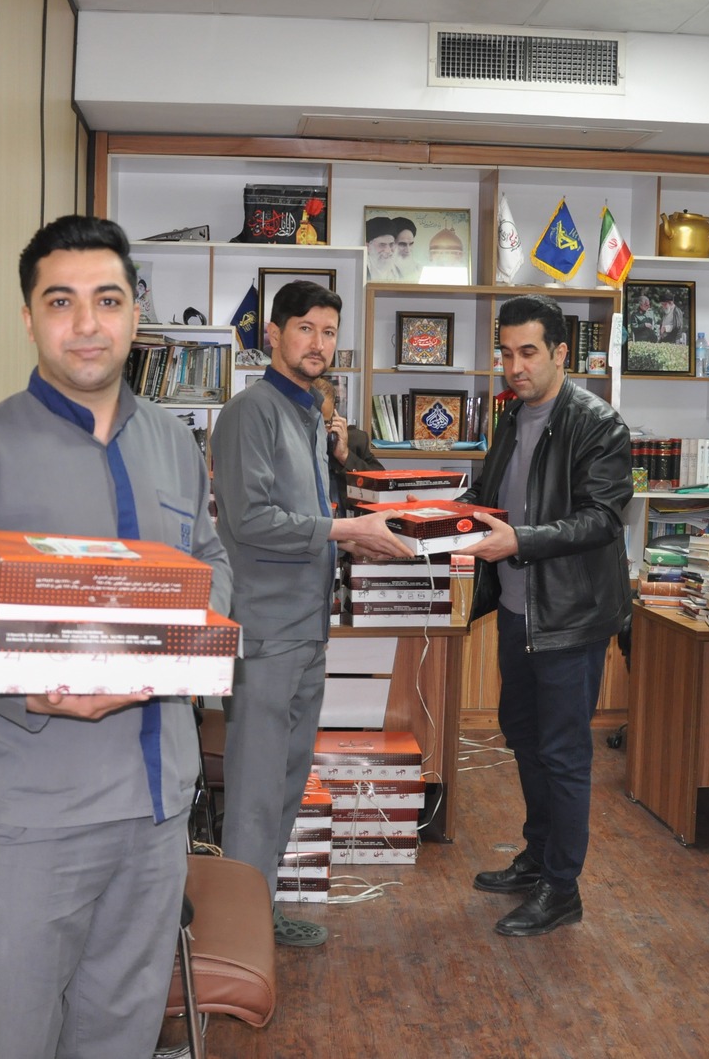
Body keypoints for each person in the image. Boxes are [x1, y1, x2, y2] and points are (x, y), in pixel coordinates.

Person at [0, 215, 231, 1057]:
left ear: (135, 314)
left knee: (121, 1032)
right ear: (28, 318)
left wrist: (176, 653)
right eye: (61, 301)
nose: (86, 323)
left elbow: (211, 563)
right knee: (11, 1035)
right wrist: (33, 688)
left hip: (157, 806)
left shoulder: (173, 442)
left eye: (107, 299)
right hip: (37, 815)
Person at [211, 280, 412, 946]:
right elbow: (251, 519)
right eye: (305, 328)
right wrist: (343, 531)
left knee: (288, 783)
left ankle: (258, 912)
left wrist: (348, 529)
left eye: (328, 332)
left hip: (307, 629)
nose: (318, 343)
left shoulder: (309, 416)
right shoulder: (250, 412)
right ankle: (238, 933)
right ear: (272, 334)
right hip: (265, 633)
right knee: (255, 790)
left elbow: (311, 515)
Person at [457, 293, 633, 937]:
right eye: (505, 353)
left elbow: (602, 518)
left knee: (563, 753)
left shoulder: (598, 424)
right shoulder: (512, 415)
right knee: (524, 737)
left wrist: (520, 541)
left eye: (528, 352)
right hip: (515, 610)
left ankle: (562, 888)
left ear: (561, 353)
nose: (514, 367)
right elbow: (494, 497)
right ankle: (537, 856)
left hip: (567, 618)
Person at [311, 374, 384, 509]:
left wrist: (345, 456)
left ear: (335, 415)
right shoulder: (289, 443)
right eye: (314, 423)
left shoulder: (356, 440)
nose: (320, 430)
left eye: (325, 423)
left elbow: (383, 486)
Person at [366, 216, 403, 283]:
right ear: (368, 247)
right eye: (382, 245)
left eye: (391, 244)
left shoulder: (398, 273)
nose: (388, 251)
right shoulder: (361, 270)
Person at [391, 215, 422, 283]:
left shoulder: (419, 268)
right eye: (402, 244)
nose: (408, 250)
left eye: (411, 244)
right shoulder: (383, 270)